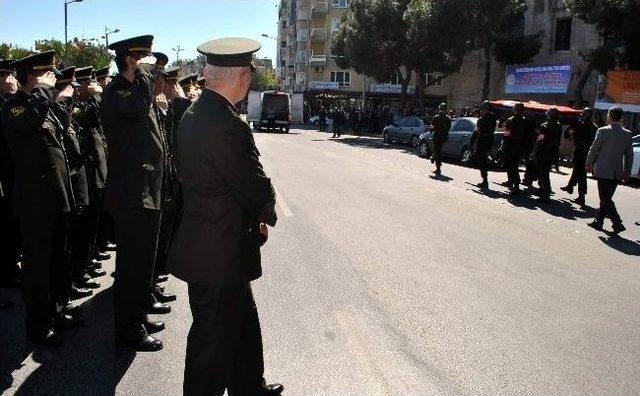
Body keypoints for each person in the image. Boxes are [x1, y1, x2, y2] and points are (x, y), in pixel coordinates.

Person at [168, 37, 283, 396]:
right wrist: (266, 210)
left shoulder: (196, 112)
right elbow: (252, 185)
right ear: (240, 77)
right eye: (248, 72)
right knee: (212, 345)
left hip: (212, 245)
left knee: (242, 325)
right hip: (219, 252)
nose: (249, 79)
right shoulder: (226, 123)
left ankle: (250, 387)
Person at [2, 51, 76, 345]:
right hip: (34, 202)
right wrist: (44, 91)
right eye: (46, 75)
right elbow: (31, 122)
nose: (51, 80)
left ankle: (57, 311)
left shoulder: (43, 104)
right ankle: (38, 325)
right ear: (32, 77)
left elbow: (61, 126)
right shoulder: (14, 107)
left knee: (59, 259)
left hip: (55, 196)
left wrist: (60, 97)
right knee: (37, 267)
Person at [101, 35, 166, 351]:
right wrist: (145, 74)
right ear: (130, 60)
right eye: (145, 57)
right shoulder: (119, 91)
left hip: (144, 191)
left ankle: (137, 317)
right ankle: (128, 330)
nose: (151, 64)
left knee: (143, 263)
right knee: (131, 266)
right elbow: (140, 106)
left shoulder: (138, 91)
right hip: (130, 193)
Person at [74, 66, 109, 288]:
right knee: (82, 225)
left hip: (94, 170)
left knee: (91, 221)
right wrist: (98, 95)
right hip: (83, 172)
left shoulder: (88, 104)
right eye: (85, 83)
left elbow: (101, 117)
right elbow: (91, 117)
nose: (89, 86)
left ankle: (87, 258)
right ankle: (80, 266)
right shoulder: (76, 108)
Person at [586, 106, 634, 234]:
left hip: (603, 169)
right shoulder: (628, 134)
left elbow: (594, 148)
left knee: (605, 198)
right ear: (621, 118)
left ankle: (617, 223)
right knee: (606, 197)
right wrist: (627, 172)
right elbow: (629, 156)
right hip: (617, 171)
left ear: (609, 115)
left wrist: (589, 163)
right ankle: (599, 222)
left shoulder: (603, 131)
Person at [0, 59, 20, 289]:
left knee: (10, 225)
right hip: (3, 173)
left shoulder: (9, 103)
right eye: (6, 77)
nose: (11, 80)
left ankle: (11, 266)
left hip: (13, 173)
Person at [560, 107, 598, 205]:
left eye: (583, 113)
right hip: (587, 153)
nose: (581, 115)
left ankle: (581, 197)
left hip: (581, 152)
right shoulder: (594, 126)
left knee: (581, 175)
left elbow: (568, 133)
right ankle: (570, 186)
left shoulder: (580, 124)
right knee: (577, 171)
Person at [530, 108, 562, 203]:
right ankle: (542, 190)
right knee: (544, 172)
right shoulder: (558, 125)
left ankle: (545, 195)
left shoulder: (544, 126)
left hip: (543, 152)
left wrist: (534, 152)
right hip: (552, 152)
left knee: (543, 174)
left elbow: (540, 140)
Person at [470, 101, 496, 188]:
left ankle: (485, 181)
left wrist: (471, 143)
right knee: (483, 160)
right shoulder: (493, 117)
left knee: (481, 161)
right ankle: (485, 179)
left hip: (482, 141)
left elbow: (476, 132)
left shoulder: (481, 119)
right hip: (490, 140)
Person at [502, 102, 527, 194]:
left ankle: (516, 186)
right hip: (520, 146)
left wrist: (504, 146)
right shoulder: (525, 120)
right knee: (513, 165)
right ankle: (510, 182)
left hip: (511, 146)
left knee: (512, 166)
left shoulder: (510, 120)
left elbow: (507, 134)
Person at [430, 103, 451, 176]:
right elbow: (448, 128)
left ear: (439, 109)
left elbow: (431, 128)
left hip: (437, 137)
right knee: (438, 151)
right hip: (444, 137)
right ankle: (435, 158)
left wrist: (431, 130)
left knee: (437, 151)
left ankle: (438, 167)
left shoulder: (436, 118)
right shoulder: (448, 118)